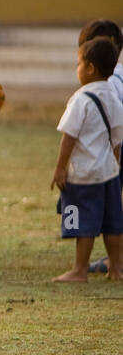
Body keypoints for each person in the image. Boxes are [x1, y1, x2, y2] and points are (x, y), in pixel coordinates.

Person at [51, 36, 123, 282]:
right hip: (109, 173)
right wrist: (113, 165)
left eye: (79, 64)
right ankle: (116, 268)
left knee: (82, 222)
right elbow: (117, 140)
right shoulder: (113, 98)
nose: (77, 69)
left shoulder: (81, 99)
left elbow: (68, 138)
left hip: (83, 175)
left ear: (90, 68)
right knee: (113, 223)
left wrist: (60, 169)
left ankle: (80, 269)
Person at [77, 19, 123, 273]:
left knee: (94, 212)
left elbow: (70, 134)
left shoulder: (95, 91)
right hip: (113, 153)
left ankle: (87, 264)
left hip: (103, 160)